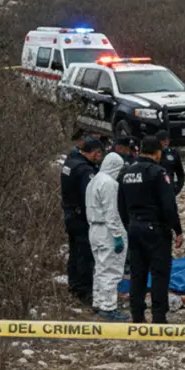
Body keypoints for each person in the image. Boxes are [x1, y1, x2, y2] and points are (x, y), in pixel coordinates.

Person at [117, 135, 183, 323]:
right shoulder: (158, 173)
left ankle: (137, 316)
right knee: (159, 273)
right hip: (156, 229)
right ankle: (158, 317)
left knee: (137, 273)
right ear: (157, 152)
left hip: (134, 227)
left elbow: (121, 205)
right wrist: (177, 230)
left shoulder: (127, 173)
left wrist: (129, 225)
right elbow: (169, 205)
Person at [85, 152, 130, 322]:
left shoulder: (93, 180)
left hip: (94, 229)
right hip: (107, 231)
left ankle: (99, 302)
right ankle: (109, 308)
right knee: (111, 270)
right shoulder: (109, 183)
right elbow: (111, 212)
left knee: (100, 269)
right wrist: (117, 235)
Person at [61, 138, 103, 305]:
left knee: (74, 253)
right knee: (85, 255)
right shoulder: (85, 170)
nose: (99, 157)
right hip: (81, 218)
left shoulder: (70, 162)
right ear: (93, 152)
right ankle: (84, 292)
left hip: (70, 214)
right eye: (98, 153)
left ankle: (74, 285)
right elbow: (90, 196)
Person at [156, 129, 185, 195]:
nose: (166, 142)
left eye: (167, 140)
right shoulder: (151, 154)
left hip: (169, 187)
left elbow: (180, 173)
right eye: (163, 140)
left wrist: (178, 186)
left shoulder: (173, 153)